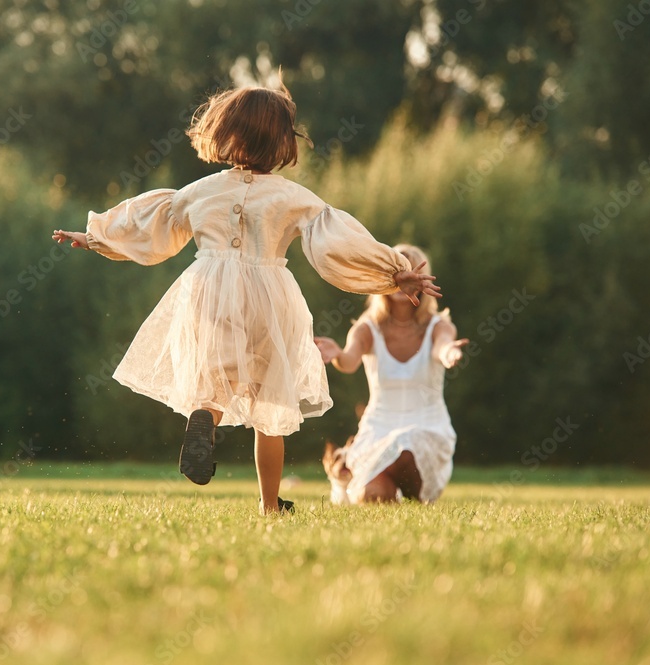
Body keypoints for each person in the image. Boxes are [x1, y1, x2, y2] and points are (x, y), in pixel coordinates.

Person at [52, 83, 441, 514]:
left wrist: (94, 236)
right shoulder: (295, 198)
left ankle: (205, 418)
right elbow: (339, 243)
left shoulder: (201, 190)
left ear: (226, 131)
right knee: (269, 403)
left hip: (208, 290)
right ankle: (269, 504)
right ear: (282, 143)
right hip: (271, 297)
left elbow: (151, 225)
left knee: (215, 382)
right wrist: (392, 272)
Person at [315, 244, 467, 505]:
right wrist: (338, 354)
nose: (403, 280)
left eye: (411, 272)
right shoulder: (367, 327)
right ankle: (380, 487)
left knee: (406, 444)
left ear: (423, 279)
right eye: (397, 272)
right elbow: (349, 361)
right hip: (379, 429)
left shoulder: (437, 326)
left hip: (427, 428)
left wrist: (449, 352)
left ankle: (411, 493)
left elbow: (443, 345)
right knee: (371, 496)